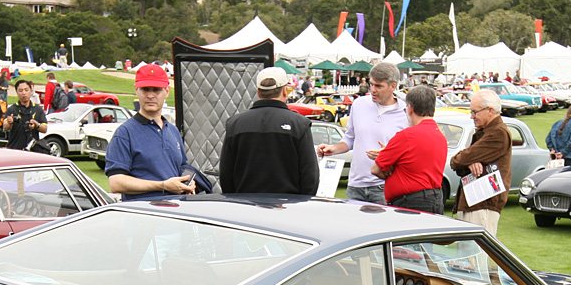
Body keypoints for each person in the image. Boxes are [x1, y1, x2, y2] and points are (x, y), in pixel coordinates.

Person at [316, 61, 408, 204]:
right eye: (371, 84)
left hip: (384, 186)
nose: (373, 89)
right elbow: (350, 138)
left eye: (378, 86)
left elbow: (409, 152)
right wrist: (333, 149)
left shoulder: (405, 113)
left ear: (393, 86)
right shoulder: (359, 105)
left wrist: (388, 154)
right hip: (355, 185)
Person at [219, 66, 318, 195]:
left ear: (258, 92)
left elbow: (226, 174)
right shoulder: (299, 124)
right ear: (284, 91)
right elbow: (310, 175)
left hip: (245, 206)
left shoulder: (235, 124)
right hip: (287, 206)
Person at [104, 64, 195, 200]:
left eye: (156, 90)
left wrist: (189, 182)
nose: (150, 95)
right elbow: (116, 183)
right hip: (145, 216)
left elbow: (182, 166)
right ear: (136, 90)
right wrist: (162, 186)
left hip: (176, 214)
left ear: (167, 92)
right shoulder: (125, 133)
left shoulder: (173, 130)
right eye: (145, 89)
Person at [371, 85, 448, 214]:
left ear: (410, 109)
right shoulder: (440, 136)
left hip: (411, 202)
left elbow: (375, 169)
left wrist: (388, 159)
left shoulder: (406, 136)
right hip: (434, 197)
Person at [448, 89, 511, 237]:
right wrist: (469, 163)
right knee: (467, 255)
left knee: (478, 256)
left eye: (475, 112)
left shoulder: (498, 133)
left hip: (483, 204)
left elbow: (459, 160)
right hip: (473, 202)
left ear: (490, 110)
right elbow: (460, 164)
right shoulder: (484, 132)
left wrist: (466, 161)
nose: (472, 116)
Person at [2, 79, 47, 151]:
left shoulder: (37, 109)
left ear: (31, 91)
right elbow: (5, 127)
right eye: (20, 90)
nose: (24, 93)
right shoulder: (12, 109)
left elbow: (44, 129)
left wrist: (36, 125)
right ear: (17, 92)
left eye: (26, 90)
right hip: (15, 149)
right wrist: (9, 122)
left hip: (33, 150)